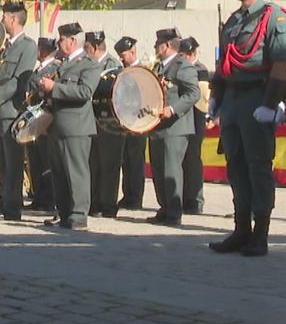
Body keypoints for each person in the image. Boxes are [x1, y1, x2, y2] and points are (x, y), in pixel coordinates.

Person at [208, 0, 286, 257]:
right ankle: (241, 228)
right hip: (233, 98)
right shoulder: (233, 21)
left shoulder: (275, 18)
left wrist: (270, 104)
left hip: (257, 96)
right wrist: (216, 97)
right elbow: (225, 63)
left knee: (258, 166)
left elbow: (280, 63)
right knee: (235, 164)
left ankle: (261, 233)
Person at [37, 23, 101, 230]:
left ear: (73, 41)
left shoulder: (89, 64)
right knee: (59, 173)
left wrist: (55, 87)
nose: (58, 43)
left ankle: (79, 216)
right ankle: (64, 214)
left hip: (77, 127)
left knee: (76, 173)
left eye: (62, 39)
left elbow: (85, 92)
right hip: (57, 125)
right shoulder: (61, 64)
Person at [0, 1, 36, 221]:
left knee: (13, 164)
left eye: (4, 17)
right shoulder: (5, 47)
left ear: (13, 18)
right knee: (2, 162)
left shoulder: (27, 46)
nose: (2, 21)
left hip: (11, 111)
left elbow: (19, 81)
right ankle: (5, 200)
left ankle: (13, 207)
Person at [149, 28, 201, 226]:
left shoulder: (182, 66)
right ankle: (164, 206)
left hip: (176, 127)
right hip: (157, 126)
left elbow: (193, 93)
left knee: (171, 170)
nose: (156, 48)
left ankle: (174, 211)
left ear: (167, 46)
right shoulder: (158, 67)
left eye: (158, 45)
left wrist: (173, 108)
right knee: (158, 169)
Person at [86, 31, 124, 218]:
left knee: (109, 165)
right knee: (94, 164)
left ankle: (108, 204)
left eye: (86, 48)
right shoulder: (89, 64)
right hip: (93, 121)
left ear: (93, 48)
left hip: (110, 123)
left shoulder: (112, 65)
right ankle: (94, 202)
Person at [25, 37, 59, 211]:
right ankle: (38, 195)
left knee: (46, 163)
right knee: (35, 161)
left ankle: (48, 198)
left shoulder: (54, 67)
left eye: (40, 48)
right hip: (33, 120)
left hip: (45, 121)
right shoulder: (38, 69)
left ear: (45, 50)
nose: (37, 51)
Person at [115, 37, 148, 212]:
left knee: (135, 161)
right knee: (126, 160)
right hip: (125, 122)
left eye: (123, 55)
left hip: (138, 121)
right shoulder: (124, 71)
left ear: (132, 52)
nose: (121, 58)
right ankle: (127, 195)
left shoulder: (142, 71)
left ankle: (135, 197)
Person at [180, 37, 210, 214]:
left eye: (184, 55)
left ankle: (195, 199)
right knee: (184, 160)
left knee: (193, 159)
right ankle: (185, 197)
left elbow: (200, 99)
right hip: (185, 118)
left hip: (196, 118)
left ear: (192, 54)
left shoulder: (200, 70)